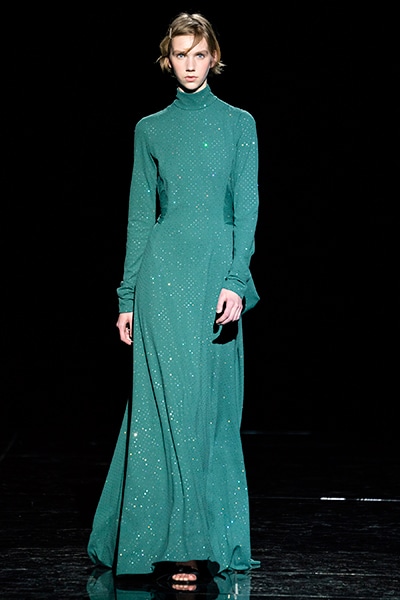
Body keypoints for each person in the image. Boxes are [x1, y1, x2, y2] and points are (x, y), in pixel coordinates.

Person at [87, 11, 260, 592]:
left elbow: (246, 209)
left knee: (210, 410)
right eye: (180, 54)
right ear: (168, 59)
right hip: (161, 280)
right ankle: (175, 546)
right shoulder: (150, 129)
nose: (190, 64)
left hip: (214, 278)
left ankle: (206, 537)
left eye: (199, 54)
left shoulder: (239, 124)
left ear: (214, 58)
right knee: (161, 410)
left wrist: (236, 280)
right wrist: (127, 296)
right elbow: (141, 216)